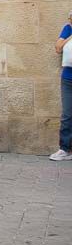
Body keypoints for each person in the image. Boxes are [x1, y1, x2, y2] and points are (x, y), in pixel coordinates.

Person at [51, 11, 72, 161]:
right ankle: (65, 149)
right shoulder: (67, 29)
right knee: (67, 115)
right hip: (68, 78)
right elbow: (58, 48)